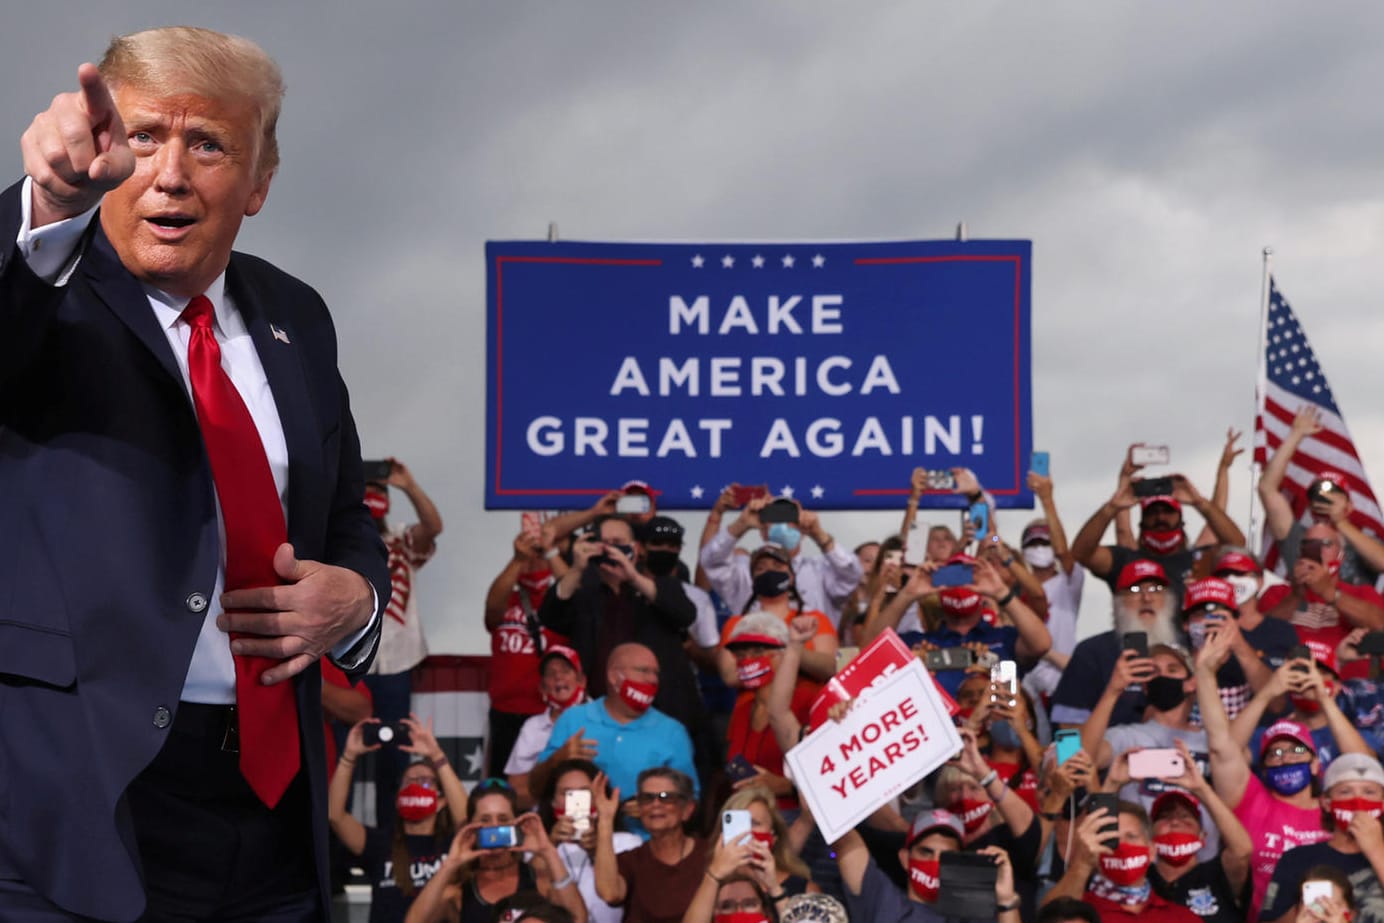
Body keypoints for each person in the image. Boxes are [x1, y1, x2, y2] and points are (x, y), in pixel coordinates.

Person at [0, 27, 390, 920]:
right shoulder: (40, 283)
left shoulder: (297, 314)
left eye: (206, 143)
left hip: (273, 809)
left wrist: (355, 601)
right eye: (143, 138)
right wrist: (43, 204)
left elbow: (345, 522)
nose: (169, 173)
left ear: (258, 183)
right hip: (76, 802)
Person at [538, 515, 701, 728]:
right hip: (598, 714)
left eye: (618, 544)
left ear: (636, 548)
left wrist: (633, 577)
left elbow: (685, 614)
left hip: (658, 713)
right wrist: (577, 568)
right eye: (604, 543)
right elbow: (550, 616)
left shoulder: (658, 585)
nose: (610, 550)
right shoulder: (583, 590)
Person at [529, 643, 698, 823]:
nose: (652, 679)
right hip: (579, 840)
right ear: (613, 676)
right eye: (643, 670)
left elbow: (691, 802)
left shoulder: (672, 732)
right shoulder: (572, 720)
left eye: (655, 673)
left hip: (644, 843)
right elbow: (536, 789)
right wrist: (558, 759)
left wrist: (657, 807)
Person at [363, 459, 444, 826]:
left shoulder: (400, 538)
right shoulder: (338, 542)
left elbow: (433, 526)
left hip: (397, 665)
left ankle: (388, 843)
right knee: (339, 754)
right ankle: (335, 851)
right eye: (369, 492)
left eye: (380, 493)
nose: (375, 499)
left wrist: (407, 484)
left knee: (394, 759)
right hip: (349, 665)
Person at [329, 716, 468, 922]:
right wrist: (348, 756)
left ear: (442, 801)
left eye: (425, 782)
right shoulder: (380, 844)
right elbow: (335, 815)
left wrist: (436, 755)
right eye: (408, 782)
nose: (415, 786)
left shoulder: (453, 845)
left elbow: (468, 819)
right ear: (397, 799)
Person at [403, 778, 587, 923]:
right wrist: (450, 864)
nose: (494, 828)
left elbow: (578, 919)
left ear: (517, 824)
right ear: (471, 827)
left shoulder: (539, 882)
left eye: (503, 819)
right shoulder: (458, 893)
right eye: (485, 820)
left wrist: (547, 850)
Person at [1070, 450, 1244, 600]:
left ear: (1181, 520)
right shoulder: (1126, 561)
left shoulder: (1200, 561)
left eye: (1167, 511)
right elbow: (1081, 554)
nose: (1160, 517)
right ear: (1142, 522)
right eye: (1152, 512)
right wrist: (1111, 507)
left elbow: (1237, 546)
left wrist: (1200, 502)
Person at [832, 808, 1023, 921]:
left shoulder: (972, 916)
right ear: (905, 858)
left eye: (947, 855)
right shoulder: (881, 899)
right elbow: (845, 841)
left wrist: (1006, 899)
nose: (935, 862)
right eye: (926, 852)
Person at [1051, 560, 1180, 727]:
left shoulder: (1184, 651)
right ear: (1118, 601)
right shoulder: (1092, 652)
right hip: (1108, 750)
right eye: (1135, 590)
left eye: (1155, 589)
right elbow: (1066, 725)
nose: (1147, 598)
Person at [699, 494, 862, 627]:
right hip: (755, 658)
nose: (783, 524)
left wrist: (819, 534)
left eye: (790, 518)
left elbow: (852, 573)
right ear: (763, 531)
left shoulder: (820, 570)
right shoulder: (745, 570)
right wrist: (741, 525)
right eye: (776, 517)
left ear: (803, 530)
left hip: (813, 657)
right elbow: (711, 560)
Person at [1259, 753, 1384, 923]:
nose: (1358, 801)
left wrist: (1376, 851)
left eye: (1369, 792)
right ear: (1326, 803)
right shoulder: (1296, 858)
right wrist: (1304, 909)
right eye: (1345, 791)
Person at [1258, 519, 1384, 681]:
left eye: (1325, 544)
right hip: (1287, 685)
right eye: (1308, 544)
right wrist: (1296, 596)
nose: (1316, 550)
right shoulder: (1279, 592)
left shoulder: (1361, 592)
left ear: (1341, 555)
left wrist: (1329, 593)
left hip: (1346, 690)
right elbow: (1261, 633)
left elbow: (1379, 624)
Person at [1043, 800, 1199, 922]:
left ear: (1151, 851)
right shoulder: (1078, 913)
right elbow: (1048, 917)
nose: (1122, 846)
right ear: (1096, 849)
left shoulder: (1183, 918)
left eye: (1131, 836)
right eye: (1112, 838)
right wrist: (1082, 864)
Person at [722, 613, 818, 811]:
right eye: (740, 655)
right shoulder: (741, 709)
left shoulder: (809, 701)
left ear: (783, 654)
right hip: (746, 816)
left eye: (758, 651)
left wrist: (785, 786)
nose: (747, 660)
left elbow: (826, 774)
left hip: (797, 815)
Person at [594, 767, 706, 923]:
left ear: (687, 809)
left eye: (666, 797)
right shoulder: (631, 860)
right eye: (647, 798)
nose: (656, 804)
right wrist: (605, 820)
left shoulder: (710, 855)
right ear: (639, 808)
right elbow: (610, 893)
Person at [540, 763, 641, 923]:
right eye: (567, 793)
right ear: (553, 801)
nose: (577, 800)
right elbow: (532, 887)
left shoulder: (626, 842)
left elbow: (621, 896)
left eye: (585, 792)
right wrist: (550, 846)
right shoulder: (538, 844)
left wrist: (597, 849)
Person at [1020, 464, 1087, 703]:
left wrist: (1047, 499)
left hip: (1064, 680)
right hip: (1023, 685)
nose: (1039, 548)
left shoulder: (1069, 582)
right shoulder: (1010, 593)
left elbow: (1062, 552)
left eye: (1044, 542)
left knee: (1067, 740)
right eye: (1033, 543)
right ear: (1023, 551)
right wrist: (994, 536)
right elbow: (993, 544)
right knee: (1007, 734)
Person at [506, 645, 589, 807]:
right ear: (543, 688)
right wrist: (555, 761)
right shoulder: (532, 728)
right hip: (545, 821)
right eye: (551, 674)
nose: (558, 677)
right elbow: (516, 795)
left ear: (582, 680)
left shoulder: (603, 716)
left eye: (565, 670)